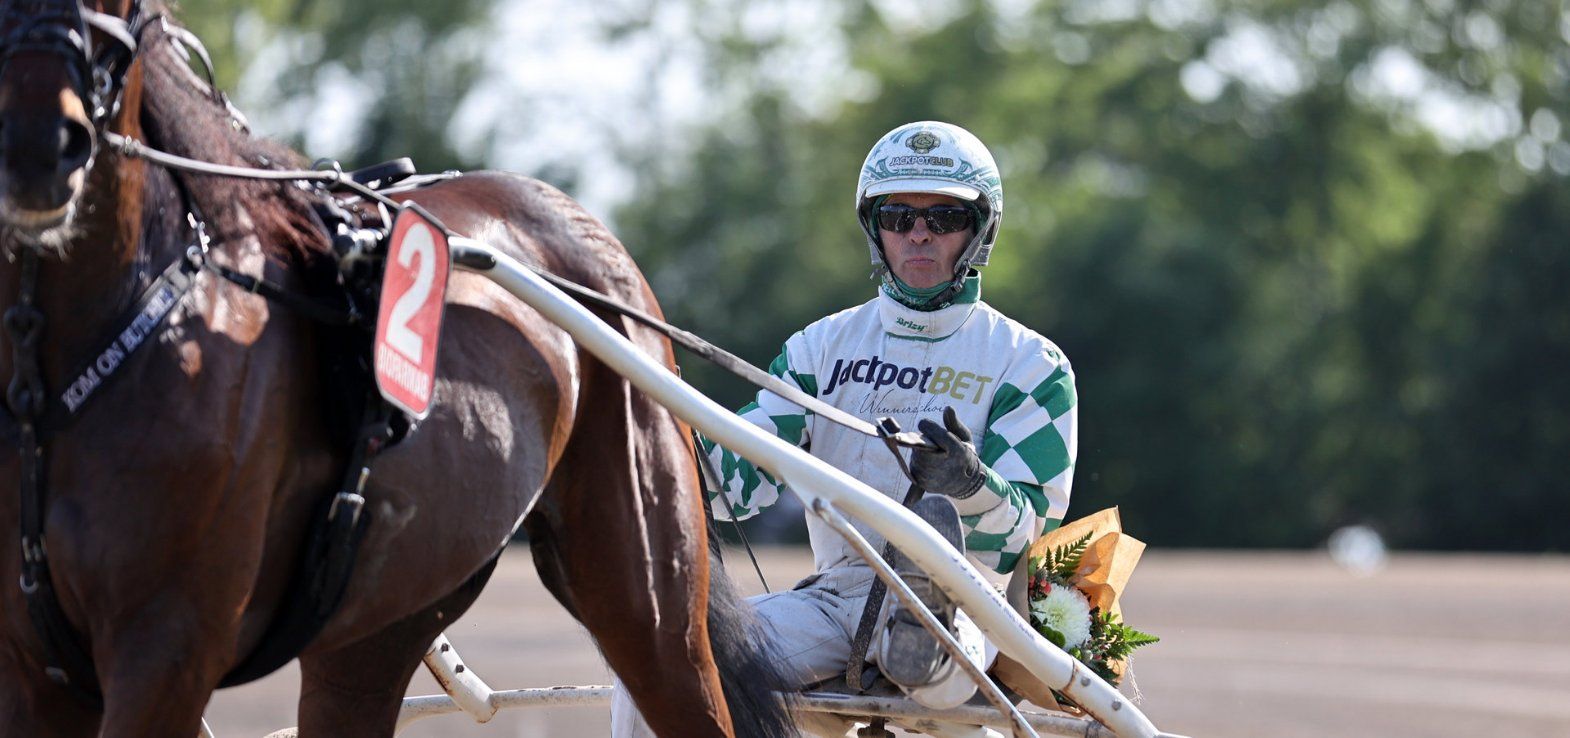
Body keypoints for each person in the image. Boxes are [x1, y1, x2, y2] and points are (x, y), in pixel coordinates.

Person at [611, 121, 1077, 736]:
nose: (917, 232)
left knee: (931, 663)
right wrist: (658, 421)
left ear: (979, 230)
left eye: (943, 217)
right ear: (873, 226)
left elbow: (1020, 541)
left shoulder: (1031, 364)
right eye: (896, 215)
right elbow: (731, 490)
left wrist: (971, 485)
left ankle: (919, 635)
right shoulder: (819, 348)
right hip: (834, 600)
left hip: (967, 606)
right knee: (656, 658)